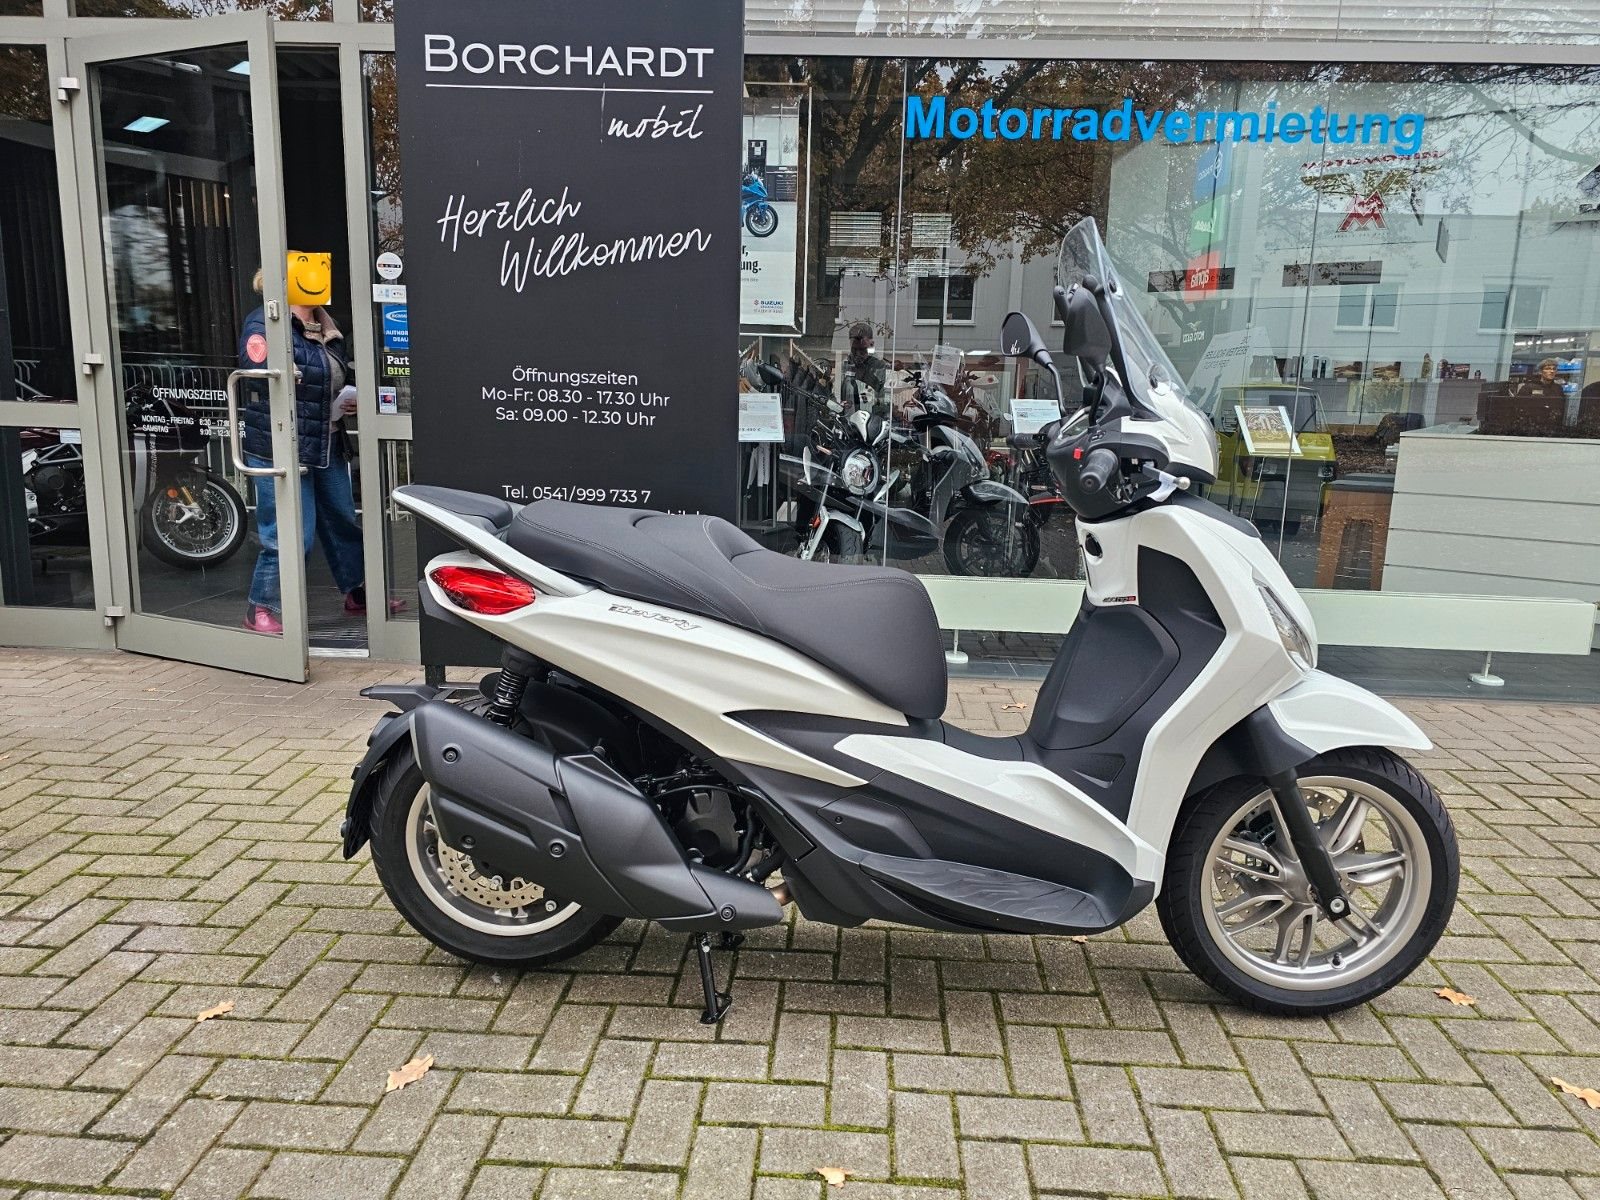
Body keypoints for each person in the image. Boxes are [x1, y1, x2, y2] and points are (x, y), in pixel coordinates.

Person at [239, 251, 400, 634]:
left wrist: (347, 396)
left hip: (326, 441)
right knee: (290, 532)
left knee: (342, 519)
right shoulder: (265, 322)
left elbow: (332, 375)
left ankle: (358, 593)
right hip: (280, 445)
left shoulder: (328, 327)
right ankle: (261, 607)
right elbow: (259, 372)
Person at [842, 320, 888, 411]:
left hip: (870, 415)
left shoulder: (879, 367)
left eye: (862, 350)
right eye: (854, 349)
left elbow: (881, 400)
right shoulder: (845, 365)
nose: (858, 354)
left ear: (871, 345)